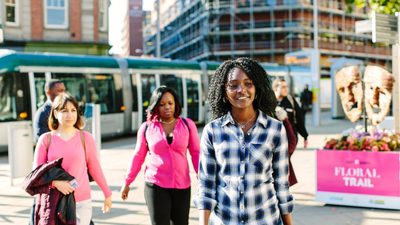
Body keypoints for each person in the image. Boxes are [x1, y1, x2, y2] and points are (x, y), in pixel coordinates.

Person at [196, 58, 294, 225]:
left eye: (248, 84)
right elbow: (206, 187)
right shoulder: (212, 131)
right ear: (224, 91)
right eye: (233, 85)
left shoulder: (275, 129)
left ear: (257, 88)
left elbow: (282, 185)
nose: (241, 90)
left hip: (266, 220)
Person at [120, 86, 200, 225]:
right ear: (156, 106)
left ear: (176, 104)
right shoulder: (146, 128)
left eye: (170, 103)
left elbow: (196, 153)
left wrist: (203, 177)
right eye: (162, 104)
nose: (167, 107)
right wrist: (127, 182)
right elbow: (138, 156)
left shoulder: (188, 125)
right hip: (155, 185)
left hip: (182, 186)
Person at [33, 93, 112, 225]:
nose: (70, 115)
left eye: (73, 110)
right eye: (64, 111)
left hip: (82, 201)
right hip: (54, 201)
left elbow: (94, 167)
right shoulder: (45, 139)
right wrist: (56, 183)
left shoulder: (85, 138)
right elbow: (37, 173)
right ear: (55, 113)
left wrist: (107, 193)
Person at [30, 79, 65, 225]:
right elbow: (42, 141)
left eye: (64, 89)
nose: (64, 93)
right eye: (59, 90)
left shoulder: (64, 109)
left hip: (61, 165)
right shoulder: (43, 113)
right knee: (41, 199)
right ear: (48, 92)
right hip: (49, 167)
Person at [273, 78, 308, 148]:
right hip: (273, 138)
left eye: (286, 86)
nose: (286, 89)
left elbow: (299, 119)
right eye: (283, 87)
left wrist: (305, 136)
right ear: (276, 88)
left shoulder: (290, 100)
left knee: (286, 157)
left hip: (289, 138)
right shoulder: (268, 101)